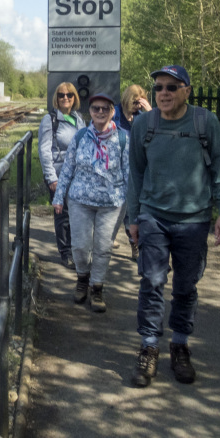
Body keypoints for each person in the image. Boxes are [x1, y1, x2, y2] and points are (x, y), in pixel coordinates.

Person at [128, 65, 220, 387]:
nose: (163, 92)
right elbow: (134, 173)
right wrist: (133, 218)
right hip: (153, 216)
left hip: (194, 219)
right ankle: (149, 346)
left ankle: (180, 344)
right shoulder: (144, 124)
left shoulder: (206, 122)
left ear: (187, 90)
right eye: (158, 87)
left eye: (172, 87)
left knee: (186, 286)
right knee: (152, 280)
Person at [52, 92, 129, 313]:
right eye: (96, 108)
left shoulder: (123, 139)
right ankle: (82, 279)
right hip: (80, 201)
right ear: (91, 112)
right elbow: (67, 169)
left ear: (112, 112)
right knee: (80, 245)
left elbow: (129, 173)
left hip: (111, 203)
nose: (100, 112)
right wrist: (59, 197)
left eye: (105, 108)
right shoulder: (80, 136)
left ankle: (97, 288)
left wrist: (131, 205)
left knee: (103, 247)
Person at [38, 83, 85, 270]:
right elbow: (44, 150)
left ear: (75, 98)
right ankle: (66, 254)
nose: (66, 98)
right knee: (63, 215)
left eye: (70, 95)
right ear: (56, 98)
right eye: (61, 95)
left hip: (78, 175)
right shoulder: (49, 120)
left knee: (78, 214)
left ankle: (77, 250)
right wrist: (51, 178)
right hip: (59, 174)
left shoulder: (78, 118)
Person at [112, 84, 152, 260]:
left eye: (140, 102)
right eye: (135, 102)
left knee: (131, 210)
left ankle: (134, 244)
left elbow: (156, 134)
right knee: (114, 209)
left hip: (135, 170)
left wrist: (150, 112)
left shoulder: (142, 117)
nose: (137, 106)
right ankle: (106, 240)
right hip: (115, 169)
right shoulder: (115, 115)